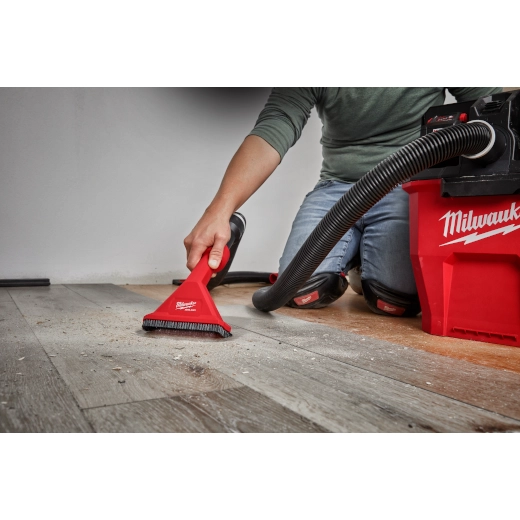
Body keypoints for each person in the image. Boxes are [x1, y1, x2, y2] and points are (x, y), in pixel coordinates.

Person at [184, 88, 502, 316]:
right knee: (302, 292)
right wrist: (220, 210)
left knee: (395, 301)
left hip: (405, 186)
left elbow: (494, 109)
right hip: (336, 189)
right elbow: (277, 123)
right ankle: (360, 256)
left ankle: (364, 265)